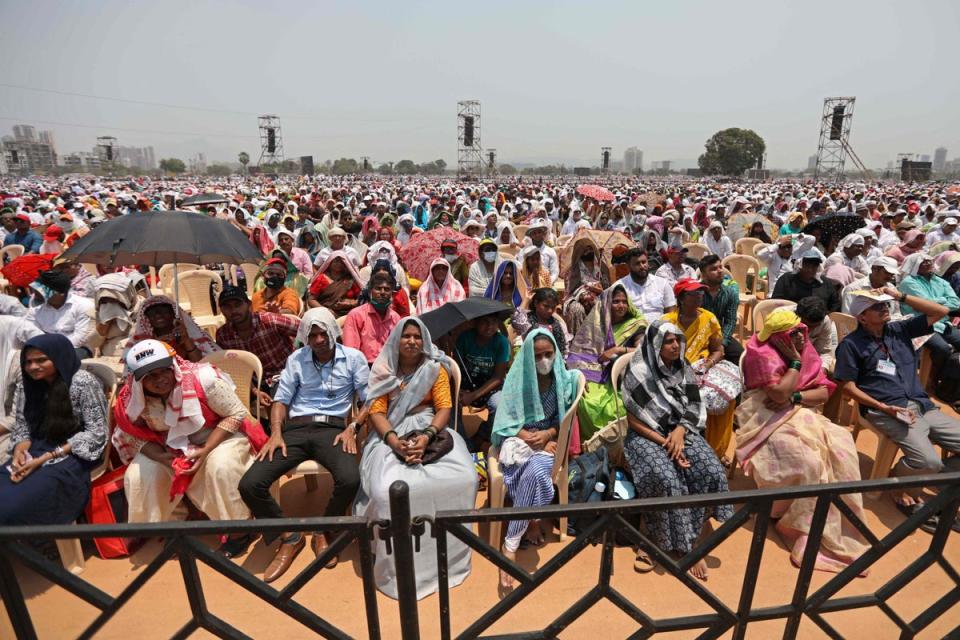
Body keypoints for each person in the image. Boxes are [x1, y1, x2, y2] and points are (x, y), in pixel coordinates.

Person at [238, 309, 368, 580]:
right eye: (313, 336)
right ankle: (290, 535)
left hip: (333, 429)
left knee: (350, 479)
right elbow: (281, 400)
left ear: (334, 332)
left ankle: (323, 529)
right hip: (295, 429)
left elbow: (369, 400)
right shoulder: (296, 359)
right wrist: (276, 432)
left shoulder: (354, 359)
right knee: (250, 484)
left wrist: (352, 428)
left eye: (323, 333)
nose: (319, 340)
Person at [737, 309, 868, 572]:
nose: (800, 337)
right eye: (792, 334)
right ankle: (790, 519)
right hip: (763, 415)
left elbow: (821, 394)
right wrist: (794, 364)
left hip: (802, 411)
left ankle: (834, 525)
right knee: (807, 460)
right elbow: (776, 395)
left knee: (842, 447)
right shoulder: (760, 354)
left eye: (801, 331)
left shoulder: (806, 349)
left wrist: (795, 398)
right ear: (779, 338)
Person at [354, 318, 476, 599]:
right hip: (390, 432)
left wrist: (427, 436)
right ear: (397, 340)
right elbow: (376, 413)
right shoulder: (384, 370)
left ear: (425, 341)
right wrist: (395, 443)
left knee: (465, 478)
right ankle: (397, 568)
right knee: (386, 492)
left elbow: (444, 408)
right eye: (406, 336)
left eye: (417, 337)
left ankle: (449, 559)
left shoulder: (434, 368)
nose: (411, 341)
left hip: (430, 428)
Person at [115, 339, 266, 557]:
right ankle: (173, 526)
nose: (160, 380)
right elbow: (130, 435)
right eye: (151, 377)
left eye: (163, 371)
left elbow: (236, 414)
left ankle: (239, 530)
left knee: (220, 467)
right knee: (140, 475)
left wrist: (204, 451)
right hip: (167, 447)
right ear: (139, 381)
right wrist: (164, 458)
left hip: (219, 435)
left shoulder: (203, 379)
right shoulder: (131, 399)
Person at [834, 289, 960, 530]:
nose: (885, 308)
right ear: (862, 317)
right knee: (928, 462)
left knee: (932, 464)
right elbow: (848, 388)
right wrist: (883, 407)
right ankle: (899, 486)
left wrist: (900, 296)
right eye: (877, 307)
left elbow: (941, 311)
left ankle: (942, 480)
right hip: (886, 409)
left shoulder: (899, 330)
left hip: (922, 405)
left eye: (886, 305)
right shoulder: (851, 345)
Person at [620, 321, 732, 580]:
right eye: (668, 341)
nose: (675, 345)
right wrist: (667, 443)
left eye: (677, 340)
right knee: (665, 478)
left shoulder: (683, 368)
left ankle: (696, 527)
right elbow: (634, 420)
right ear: (656, 344)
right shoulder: (638, 371)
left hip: (681, 431)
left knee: (711, 469)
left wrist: (680, 431)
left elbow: (694, 404)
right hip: (646, 435)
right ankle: (657, 541)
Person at [493, 330, 580, 588]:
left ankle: (510, 545)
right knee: (527, 469)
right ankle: (530, 520)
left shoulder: (561, 380)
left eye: (548, 354)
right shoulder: (518, 380)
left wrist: (549, 434)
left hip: (548, 443)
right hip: (519, 439)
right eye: (538, 355)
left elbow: (562, 419)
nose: (544, 360)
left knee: (535, 472)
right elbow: (506, 419)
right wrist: (526, 435)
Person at [0, 335, 107, 525]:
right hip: (37, 447)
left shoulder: (82, 382)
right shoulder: (30, 383)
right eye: (28, 362)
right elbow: (24, 423)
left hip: (74, 452)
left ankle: (32, 549)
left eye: (41, 360)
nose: (33, 367)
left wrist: (44, 459)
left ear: (59, 357)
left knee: (13, 506)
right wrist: (19, 451)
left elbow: (96, 433)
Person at [661, 279, 736, 462]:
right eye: (693, 294)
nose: (699, 297)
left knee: (722, 395)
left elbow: (718, 350)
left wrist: (707, 365)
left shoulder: (708, 318)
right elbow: (657, 353)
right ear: (681, 298)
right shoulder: (666, 322)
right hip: (672, 369)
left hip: (701, 367)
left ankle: (713, 449)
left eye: (701, 293)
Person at [566, 284, 646, 437]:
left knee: (616, 407)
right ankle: (591, 446)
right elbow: (580, 351)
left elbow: (642, 351)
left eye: (624, 301)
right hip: (596, 373)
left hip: (623, 378)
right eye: (616, 301)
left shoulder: (635, 325)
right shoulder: (597, 322)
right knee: (584, 401)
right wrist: (579, 376)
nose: (621, 305)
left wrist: (617, 350)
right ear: (607, 303)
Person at [215, 285, 301, 399]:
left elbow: (306, 330)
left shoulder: (269, 320)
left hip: (282, 374)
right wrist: (254, 390)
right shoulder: (223, 335)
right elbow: (230, 367)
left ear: (249, 305)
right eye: (227, 307)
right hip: (251, 381)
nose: (233, 310)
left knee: (280, 401)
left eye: (238, 305)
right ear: (221, 310)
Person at [452, 313, 510, 451]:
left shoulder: (501, 342)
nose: (490, 327)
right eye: (485, 322)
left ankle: (481, 435)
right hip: (466, 382)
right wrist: (459, 390)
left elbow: (498, 377)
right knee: (451, 403)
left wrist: (473, 396)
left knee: (499, 404)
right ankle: (462, 441)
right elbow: (456, 368)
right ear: (475, 322)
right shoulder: (465, 338)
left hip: (491, 385)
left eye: (494, 322)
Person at [898, 252, 960, 375]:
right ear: (914, 265)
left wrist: (933, 304)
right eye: (923, 261)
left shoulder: (939, 281)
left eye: (929, 260)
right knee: (942, 349)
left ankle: (949, 377)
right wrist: (942, 300)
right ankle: (934, 377)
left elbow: (956, 302)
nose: (927, 263)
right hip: (921, 324)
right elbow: (926, 306)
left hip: (942, 322)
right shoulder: (908, 282)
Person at [25, 269, 97, 359]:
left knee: (64, 359)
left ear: (60, 293)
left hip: (75, 349)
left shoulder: (83, 306)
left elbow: (80, 338)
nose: (35, 293)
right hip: (43, 349)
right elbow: (31, 332)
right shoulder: (35, 310)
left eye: (41, 291)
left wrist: (54, 349)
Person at [124, 295, 219, 362]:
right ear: (146, 318)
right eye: (152, 313)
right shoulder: (138, 342)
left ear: (173, 314)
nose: (158, 315)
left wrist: (186, 340)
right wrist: (156, 345)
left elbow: (200, 362)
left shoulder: (191, 334)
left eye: (163, 311)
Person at [342, 271, 403, 365]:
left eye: (387, 289)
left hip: (389, 367)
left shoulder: (395, 318)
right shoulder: (355, 315)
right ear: (370, 292)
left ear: (391, 293)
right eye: (378, 289)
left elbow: (398, 349)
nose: (382, 292)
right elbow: (351, 352)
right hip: (363, 367)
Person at [614, 248, 677, 324]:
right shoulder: (620, 286)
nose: (642, 266)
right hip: (632, 330)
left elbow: (671, 312)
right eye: (637, 264)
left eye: (644, 262)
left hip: (660, 329)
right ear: (629, 266)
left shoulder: (662, 283)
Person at [699, 255, 742, 364]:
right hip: (698, 335)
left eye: (720, 267)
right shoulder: (696, 292)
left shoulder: (730, 293)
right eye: (713, 269)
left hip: (719, 335)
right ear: (703, 275)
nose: (719, 271)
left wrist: (722, 344)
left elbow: (730, 321)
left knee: (741, 356)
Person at [771, 249, 841, 312]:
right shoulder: (787, 280)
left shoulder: (826, 283)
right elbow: (776, 302)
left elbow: (835, 306)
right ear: (800, 265)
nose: (810, 269)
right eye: (807, 265)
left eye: (814, 266)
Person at [93, 272, 141, 357]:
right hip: (107, 355)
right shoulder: (96, 312)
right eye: (105, 300)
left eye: (114, 299)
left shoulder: (141, 308)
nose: (109, 304)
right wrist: (106, 322)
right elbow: (93, 342)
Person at [511, 288, 570, 356]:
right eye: (546, 306)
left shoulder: (558, 324)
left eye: (553, 307)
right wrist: (526, 300)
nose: (550, 310)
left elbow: (564, 349)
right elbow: (516, 322)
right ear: (536, 303)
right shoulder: (527, 320)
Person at [308, 251, 363, 316]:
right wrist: (326, 311)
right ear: (330, 263)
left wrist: (351, 304)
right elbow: (311, 299)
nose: (339, 264)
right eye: (336, 261)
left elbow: (361, 299)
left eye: (341, 262)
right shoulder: (321, 279)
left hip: (349, 314)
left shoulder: (350, 279)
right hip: (325, 314)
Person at [795, 296, 838, 374]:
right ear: (798, 316)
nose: (809, 330)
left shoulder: (825, 321)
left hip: (810, 361)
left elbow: (824, 352)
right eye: (806, 325)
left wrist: (822, 371)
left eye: (815, 327)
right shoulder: (784, 319)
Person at [522, 218, 559, 282]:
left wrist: (547, 283)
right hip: (528, 284)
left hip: (547, 283)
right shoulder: (524, 251)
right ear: (531, 236)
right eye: (534, 233)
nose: (537, 235)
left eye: (539, 232)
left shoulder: (551, 251)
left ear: (543, 234)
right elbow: (522, 271)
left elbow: (555, 273)